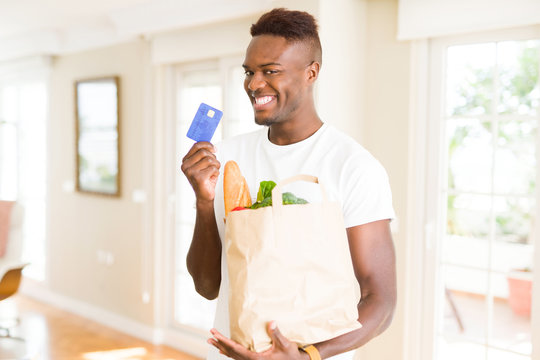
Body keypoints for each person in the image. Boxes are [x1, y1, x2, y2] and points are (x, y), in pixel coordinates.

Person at [181, 8, 396, 360]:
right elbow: (207, 287)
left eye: (271, 71)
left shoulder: (353, 167)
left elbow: (381, 302)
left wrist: (307, 354)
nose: (253, 84)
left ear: (311, 73)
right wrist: (204, 202)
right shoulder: (224, 160)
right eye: (249, 72)